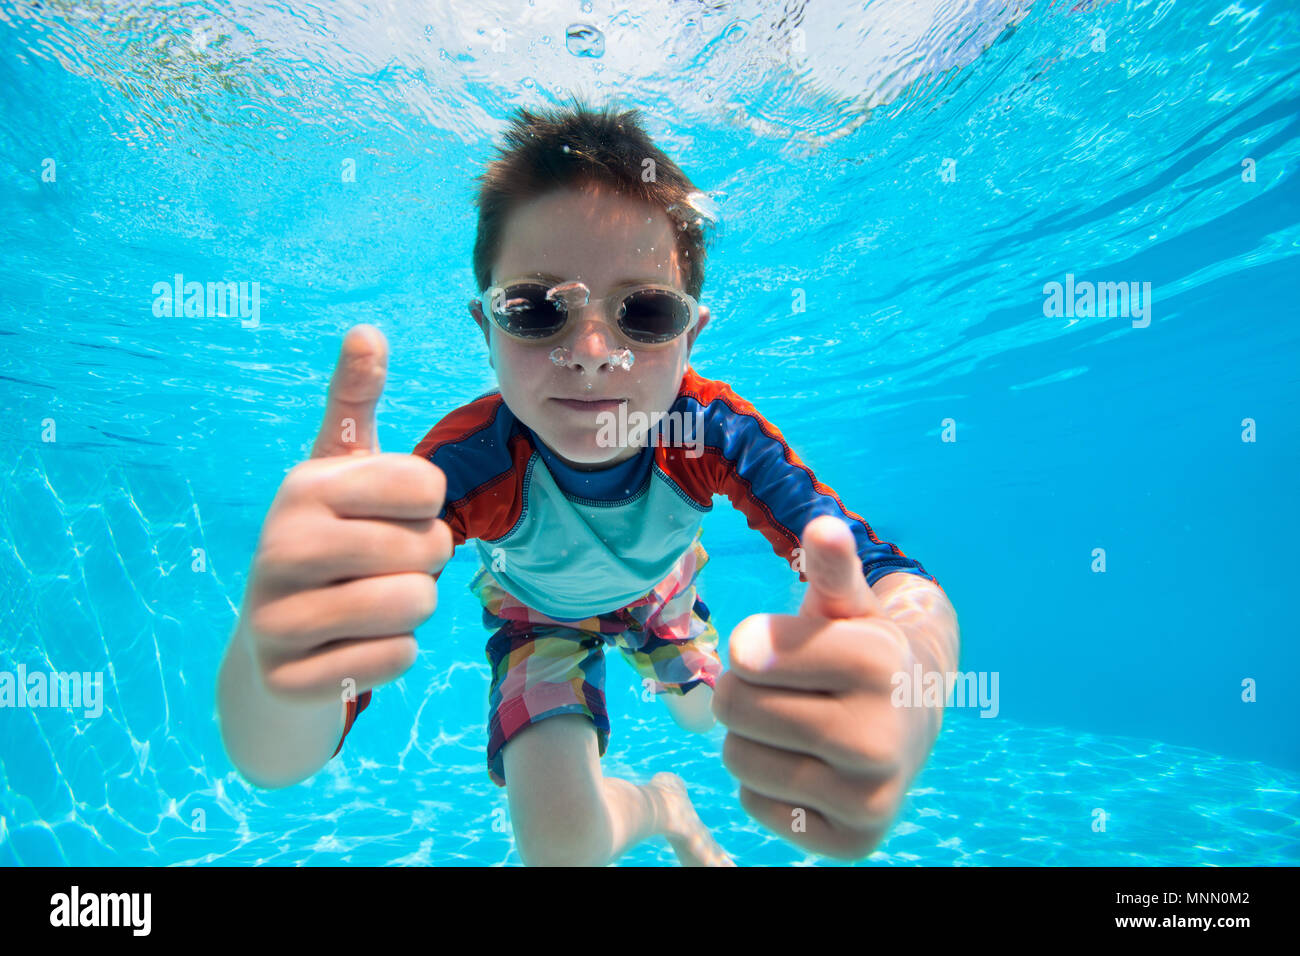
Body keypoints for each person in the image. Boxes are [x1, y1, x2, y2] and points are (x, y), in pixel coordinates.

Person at [217, 97, 960, 867]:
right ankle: (664, 806)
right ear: (487, 328)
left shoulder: (709, 432)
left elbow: (885, 574)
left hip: (659, 593)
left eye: (644, 312)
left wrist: (918, 666)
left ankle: (677, 739)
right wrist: (281, 666)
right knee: (562, 853)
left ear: (690, 335)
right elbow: (279, 762)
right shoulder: (465, 465)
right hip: (535, 612)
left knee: (713, 714)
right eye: (537, 309)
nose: (595, 352)